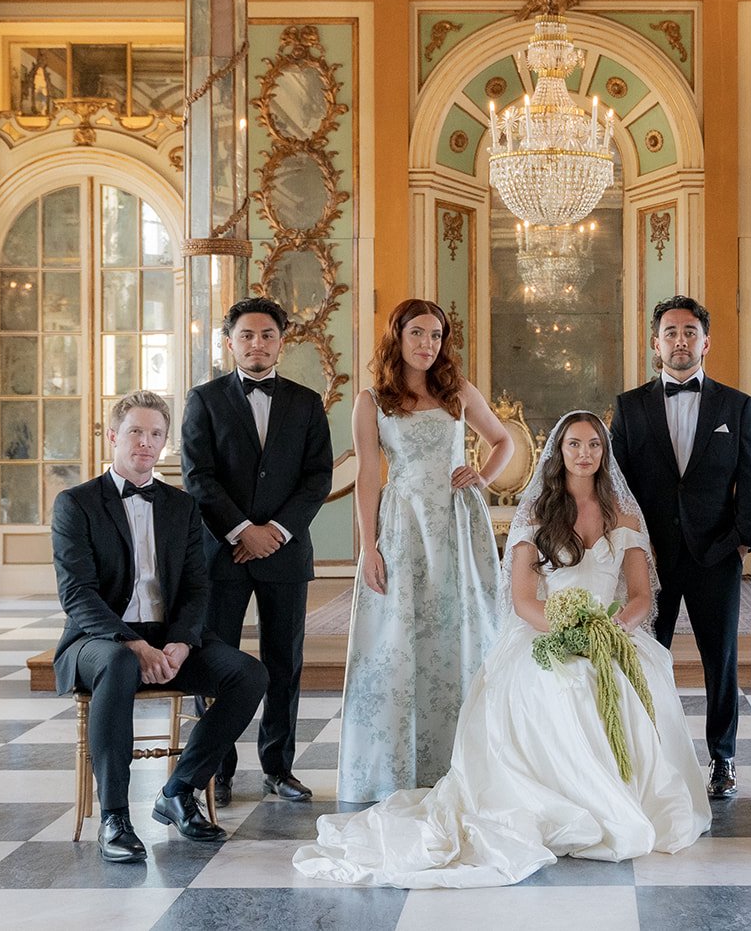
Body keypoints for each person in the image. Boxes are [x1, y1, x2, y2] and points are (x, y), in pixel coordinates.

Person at [294, 411, 711, 887]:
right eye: (574, 444)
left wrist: (612, 630)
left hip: (610, 630)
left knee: (624, 677)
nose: (584, 453)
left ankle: (626, 797)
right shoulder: (536, 516)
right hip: (545, 629)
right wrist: (565, 633)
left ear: (604, 453)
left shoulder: (625, 516)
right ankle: (562, 801)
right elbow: (522, 600)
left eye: (593, 445)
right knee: (562, 681)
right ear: (559, 452)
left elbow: (640, 595)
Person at [50, 391, 268, 863]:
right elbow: (77, 595)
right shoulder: (76, 504)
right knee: (117, 664)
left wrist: (182, 643)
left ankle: (178, 789)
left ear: (165, 443)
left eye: (155, 435)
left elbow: (196, 587)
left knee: (248, 674)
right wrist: (132, 644)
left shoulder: (181, 506)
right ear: (113, 436)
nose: (145, 443)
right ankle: (115, 818)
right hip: (98, 639)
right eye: (135, 432)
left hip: (167, 638)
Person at [337, 298, 512, 803]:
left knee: (464, 630)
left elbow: (502, 441)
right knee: (397, 637)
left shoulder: (456, 390)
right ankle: (394, 768)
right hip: (403, 525)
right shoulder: (372, 399)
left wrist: (482, 475)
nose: (427, 345)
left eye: (436, 336)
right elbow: (369, 475)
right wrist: (368, 547)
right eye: (417, 333)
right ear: (397, 335)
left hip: (458, 524)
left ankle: (463, 764)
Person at [181, 297, 333, 807]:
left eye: (267, 334)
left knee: (284, 663)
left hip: (285, 555)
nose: (257, 344)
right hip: (222, 555)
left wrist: (277, 532)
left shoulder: (308, 402)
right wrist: (243, 530)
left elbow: (318, 478)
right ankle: (214, 768)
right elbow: (198, 476)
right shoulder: (203, 400)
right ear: (230, 344)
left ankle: (278, 768)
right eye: (246, 335)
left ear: (281, 343)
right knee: (216, 663)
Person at [612, 295, 751, 799]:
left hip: (716, 556)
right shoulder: (629, 407)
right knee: (645, 656)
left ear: (706, 341)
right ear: (656, 344)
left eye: (689, 332)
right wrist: (629, 550)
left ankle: (723, 759)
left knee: (721, 660)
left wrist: (741, 542)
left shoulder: (735, 405)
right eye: (671, 333)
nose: (680, 341)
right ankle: (647, 751)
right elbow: (617, 482)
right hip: (649, 560)